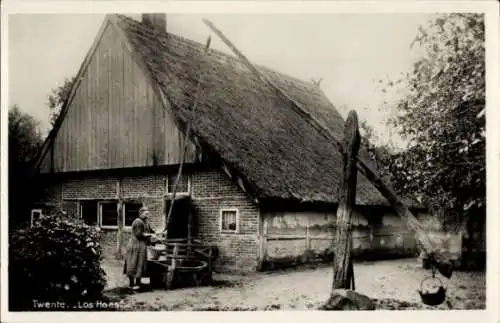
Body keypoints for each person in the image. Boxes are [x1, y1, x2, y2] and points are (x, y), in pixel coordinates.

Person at [123, 206, 155, 290]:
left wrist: (159, 233)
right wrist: (151, 235)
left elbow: (151, 231)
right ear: (141, 214)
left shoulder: (145, 222)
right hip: (135, 246)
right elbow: (139, 234)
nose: (148, 215)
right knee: (133, 263)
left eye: (148, 214)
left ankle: (138, 282)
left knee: (140, 264)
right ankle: (131, 283)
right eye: (146, 214)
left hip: (141, 246)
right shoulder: (137, 222)